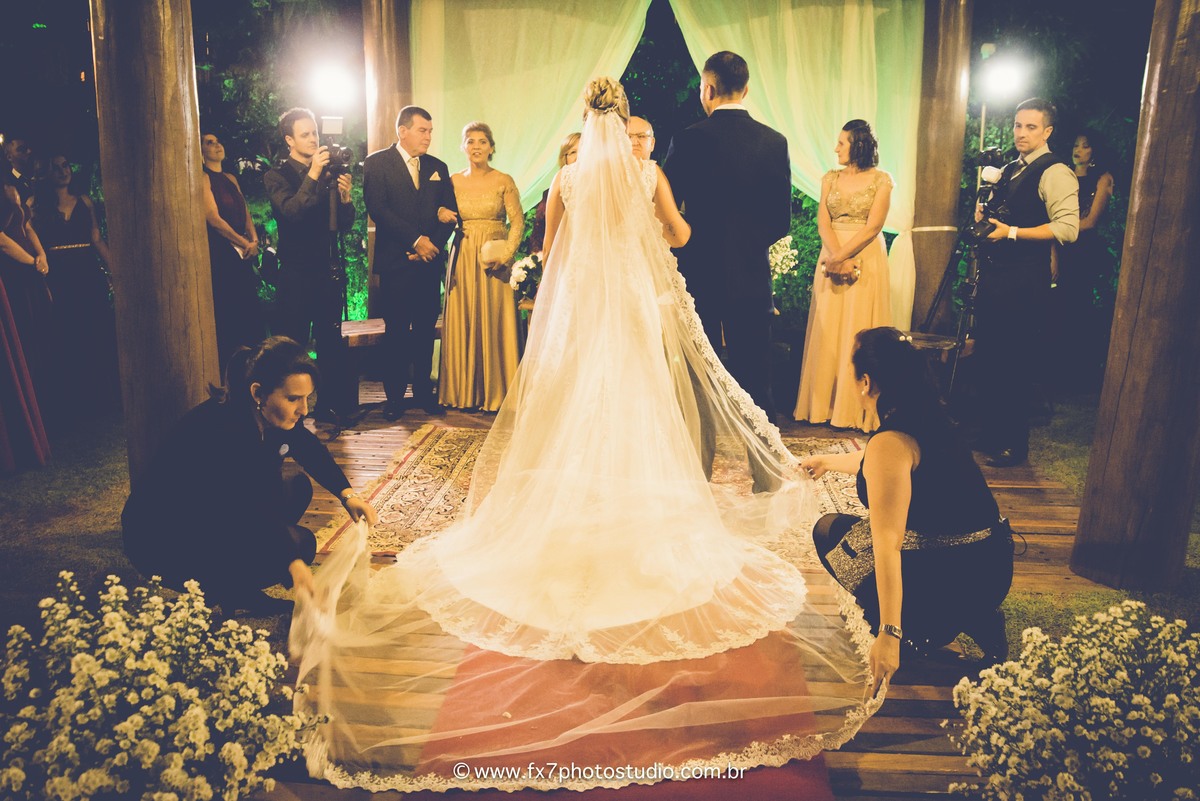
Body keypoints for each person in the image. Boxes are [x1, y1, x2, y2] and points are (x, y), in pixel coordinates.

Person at [291, 77, 876, 794]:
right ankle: (636, 522)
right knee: (638, 412)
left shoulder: (566, 180)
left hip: (583, 315)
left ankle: (576, 521)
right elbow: (681, 236)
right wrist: (647, 234)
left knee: (577, 413)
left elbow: (553, 250)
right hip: (631, 311)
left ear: (583, 118)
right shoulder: (646, 173)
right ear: (624, 121)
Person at [803, 327, 1014, 695]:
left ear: (866, 382)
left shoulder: (892, 440)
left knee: (832, 533)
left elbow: (889, 542)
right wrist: (827, 461)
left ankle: (920, 629)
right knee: (857, 534)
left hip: (955, 575)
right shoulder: (927, 414)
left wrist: (890, 633)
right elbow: (882, 466)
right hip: (992, 563)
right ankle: (977, 617)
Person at [121, 336, 378, 615]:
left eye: (307, 397)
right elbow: (249, 507)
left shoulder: (267, 413)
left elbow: (307, 447)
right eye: (293, 399)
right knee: (301, 545)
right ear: (258, 393)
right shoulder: (225, 431)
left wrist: (347, 495)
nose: (304, 409)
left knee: (297, 487)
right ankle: (228, 589)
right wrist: (291, 561)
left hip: (214, 515)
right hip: (163, 539)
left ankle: (237, 587)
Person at [663, 51, 791, 421]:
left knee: (699, 376)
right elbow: (780, 221)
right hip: (752, 277)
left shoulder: (687, 140)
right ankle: (762, 456)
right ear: (745, 90)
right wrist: (746, 245)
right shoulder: (774, 142)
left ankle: (700, 454)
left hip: (699, 275)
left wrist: (694, 243)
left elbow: (667, 214)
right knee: (757, 380)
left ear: (708, 89)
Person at [973, 98, 1079, 467]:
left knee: (1014, 361)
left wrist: (1012, 232)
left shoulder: (1055, 171)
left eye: (1031, 127)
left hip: (1024, 278)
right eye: (1018, 125)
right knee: (990, 356)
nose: (1021, 133)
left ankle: (1013, 444)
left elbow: (1068, 228)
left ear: (1047, 131)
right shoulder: (1008, 169)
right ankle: (990, 433)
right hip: (996, 275)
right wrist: (984, 217)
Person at [793, 120, 893, 431]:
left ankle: (856, 409)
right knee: (828, 328)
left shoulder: (882, 180)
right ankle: (824, 405)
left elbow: (874, 226)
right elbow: (823, 222)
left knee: (858, 325)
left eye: (842, 143)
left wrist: (842, 258)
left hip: (865, 256)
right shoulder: (830, 178)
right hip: (832, 252)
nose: (836, 148)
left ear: (858, 145)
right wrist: (836, 257)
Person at [363, 105, 459, 419]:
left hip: (428, 264)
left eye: (430, 131)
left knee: (424, 331)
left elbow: (450, 213)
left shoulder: (437, 167)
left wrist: (432, 246)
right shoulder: (377, 163)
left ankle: (423, 393)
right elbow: (378, 209)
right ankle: (394, 398)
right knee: (396, 333)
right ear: (402, 131)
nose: (428, 137)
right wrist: (416, 241)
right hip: (396, 263)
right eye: (422, 130)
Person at [263, 108, 356, 423]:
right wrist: (314, 173)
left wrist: (345, 198)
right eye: (305, 134)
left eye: (314, 132)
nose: (314, 139)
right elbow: (291, 212)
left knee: (330, 342)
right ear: (289, 140)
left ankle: (329, 407)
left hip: (327, 270)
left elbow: (344, 225)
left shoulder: (329, 174)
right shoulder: (276, 176)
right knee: (292, 344)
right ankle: (286, 412)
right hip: (295, 273)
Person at [438, 122, 522, 412]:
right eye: (470, 141)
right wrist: (440, 211)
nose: (476, 146)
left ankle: (499, 392)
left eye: (482, 141)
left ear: (491, 147)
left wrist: (507, 255)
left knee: (496, 319)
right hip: (463, 254)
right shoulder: (452, 181)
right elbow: (439, 213)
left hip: (494, 259)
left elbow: (517, 222)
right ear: (463, 147)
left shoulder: (503, 180)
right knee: (464, 317)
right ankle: (464, 392)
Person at [32, 153, 118, 413]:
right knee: (66, 331)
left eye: (65, 166)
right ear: (46, 173)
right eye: (55, 167)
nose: (63, 171)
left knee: (96, 328)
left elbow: (96, 239)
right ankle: (75, 401)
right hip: (57, 273)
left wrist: (117, 272)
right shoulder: (35, 204)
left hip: (86, 270)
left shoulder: (84, 201)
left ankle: (102, 395)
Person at [1051, 129, 1115, 387]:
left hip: (1084, 250)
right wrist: (1053, 249)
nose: (1078, 150)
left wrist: (1059, 228)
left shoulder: (1103, 178)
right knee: (1057, 307)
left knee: (1079, 307)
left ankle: (1080, 375)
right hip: (1060, 247)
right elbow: (1051, 218)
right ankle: (1057, 373)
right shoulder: (1064, 177)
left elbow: (1090, 221)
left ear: (1094, 150)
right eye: (1076, 145)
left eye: (1085, 146)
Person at [201, 132, 264, 371]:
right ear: (201, 151)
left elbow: (245, 211)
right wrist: (242, 241)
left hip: (243, 250)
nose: (217, 145)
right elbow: (213, 218)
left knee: (250, 308)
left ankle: (254, 366)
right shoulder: (203, 178)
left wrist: (254, 239)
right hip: (222, 251)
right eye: (209, 143)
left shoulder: (230, 178)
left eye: (218, 141)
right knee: (231, 309)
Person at [0, 179, 50, 473]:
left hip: (26, 271)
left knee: (33, 340)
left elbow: (26, 226)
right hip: (11, 274)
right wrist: (31, 261)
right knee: (19, 345)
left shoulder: (11, 188)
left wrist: (40, 256)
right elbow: (2, 240)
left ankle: (41, 417)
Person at [529, 131, 579, 255]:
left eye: (583, 151)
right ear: (564, 158)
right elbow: (545, 234)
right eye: (573, 152)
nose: (579, 156)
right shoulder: (553, 190)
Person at [3, 133, 35, 205]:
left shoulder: (40, 177)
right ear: (9, 157)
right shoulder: (7, 185)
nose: (29, 151)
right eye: (22, 149)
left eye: (28, 147)